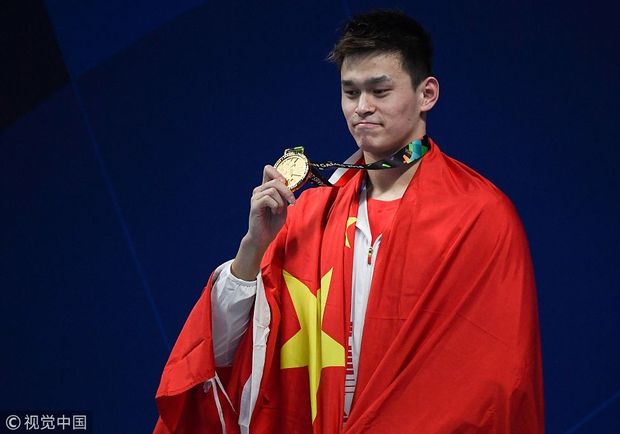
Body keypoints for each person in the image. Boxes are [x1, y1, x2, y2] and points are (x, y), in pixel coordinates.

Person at [154, 10, 544, 434]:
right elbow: (228, 353)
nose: (362, 108)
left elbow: (500, 379)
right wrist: (253, 248)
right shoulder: (307, 215)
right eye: (350, 92)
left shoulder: (481, 215)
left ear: (426, 93)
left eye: (380, 90)